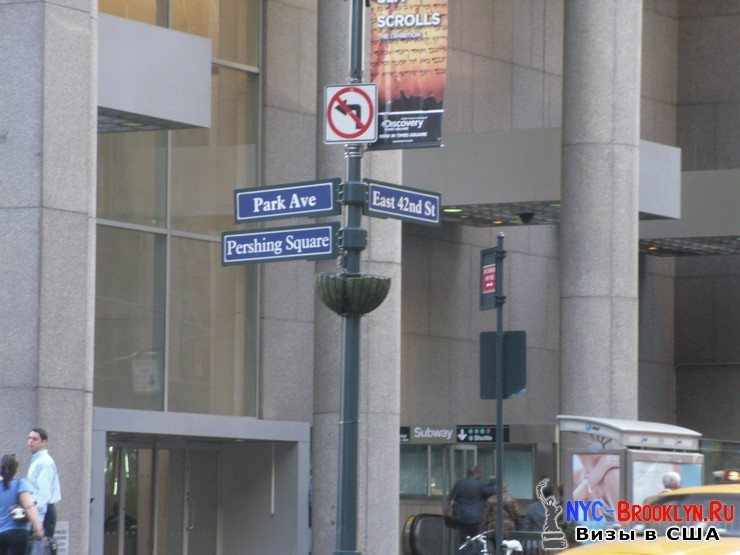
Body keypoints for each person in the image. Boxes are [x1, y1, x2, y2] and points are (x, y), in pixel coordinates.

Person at [0, 454, 44, 555]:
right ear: (16, 469)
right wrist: (38, 528)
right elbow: (29, 507)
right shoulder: (21, 484)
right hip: (18, 533)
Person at [26, 428, 61, 543]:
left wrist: (37, 522)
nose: (30, 441)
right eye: (29, 438)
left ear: (44, 442)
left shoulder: (45, 462)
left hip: (43, 513)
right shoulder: (37, 460)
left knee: (40, 549)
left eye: (35, 439)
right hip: (39, 512)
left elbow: (43, 495)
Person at [447, 466, 487, 551]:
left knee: (463, 541)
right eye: (480, 474)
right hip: (476, 519)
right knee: (477, 540)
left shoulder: (459, 483)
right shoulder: (481, 485)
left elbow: (451, 498)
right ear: (476, 473)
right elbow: (491, 493)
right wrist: (493, 483)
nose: (481, 476)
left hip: (461, 517)